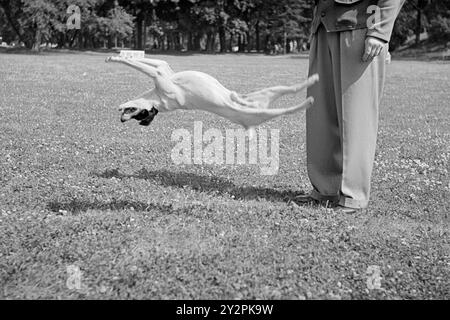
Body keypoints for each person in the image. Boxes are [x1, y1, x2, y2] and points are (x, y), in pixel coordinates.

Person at [298, 0, 405, 213]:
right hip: (324, 25)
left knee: (356, 117)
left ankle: (353, 195)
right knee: (321, 115)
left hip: (362, 27)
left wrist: (380, 30)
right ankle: (325, 189)